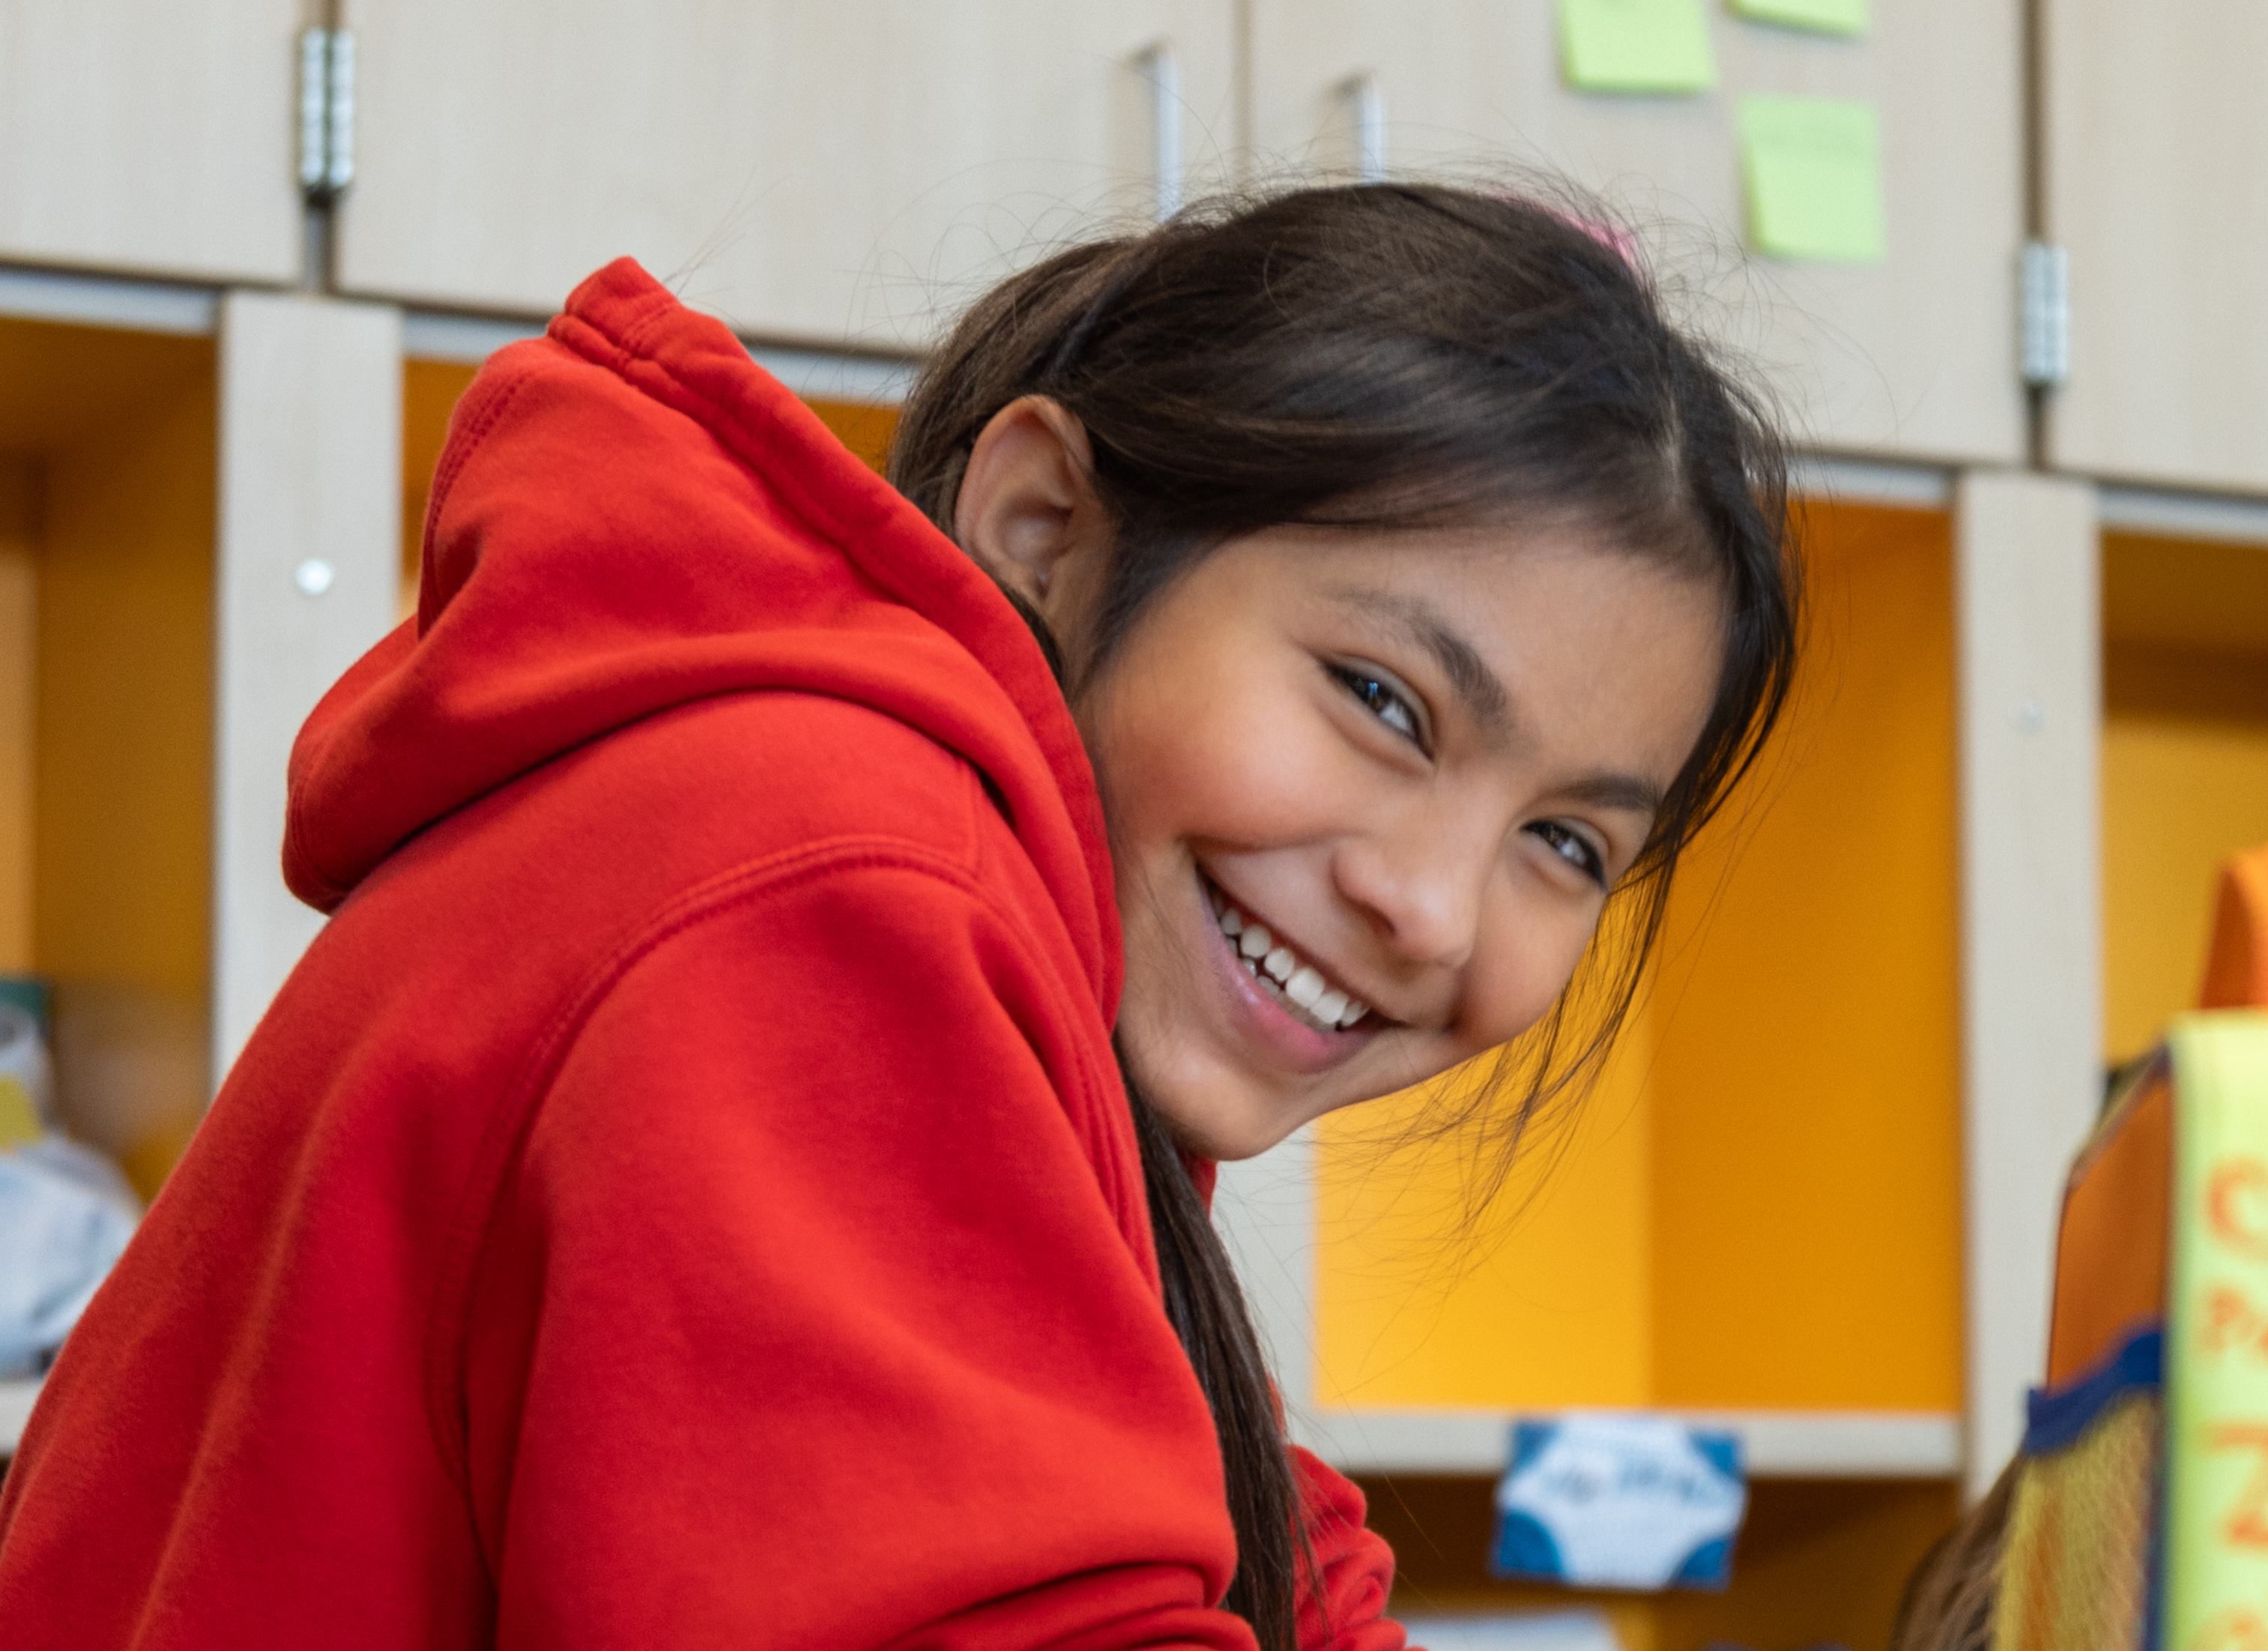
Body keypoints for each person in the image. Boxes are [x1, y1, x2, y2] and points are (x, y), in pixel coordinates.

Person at [0, 185, 1799, 1649]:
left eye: (1565, 843)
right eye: (1382, 701)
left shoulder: (933, 925)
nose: (1428, 907)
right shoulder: (828, 884)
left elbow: (1243, 1550)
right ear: (1041, 526)